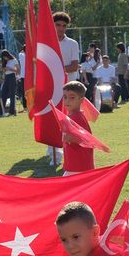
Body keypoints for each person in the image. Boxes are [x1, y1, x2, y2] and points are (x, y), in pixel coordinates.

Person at [52, 12, 80, 166]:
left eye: (64, 26)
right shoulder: (47, 44)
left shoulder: (72, 44)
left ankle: (69, 147)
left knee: (69, 119)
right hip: (53, 88)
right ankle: (53, 152)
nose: (61, 28)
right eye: (58, 25)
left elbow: (74, 66)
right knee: (54, 119)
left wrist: (56, 69)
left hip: (70, 89)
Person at [60, 81, 94, 176]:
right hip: (76, 165)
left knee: (63, 189)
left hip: (78, 166)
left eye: (72, 97)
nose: (67, 101)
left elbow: (86, 139)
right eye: (65, 97)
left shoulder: (77, 118)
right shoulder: (73, 116)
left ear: (81, 100)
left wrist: (71, 138)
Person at [0, 50, 18, 117]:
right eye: (3, 58)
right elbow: (5, 70)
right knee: (2, 94)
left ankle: (12, 112)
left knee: (12, 95)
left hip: (12, 77)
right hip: (6, 77)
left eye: (5, 57)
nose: (4, 59)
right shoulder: (6, 61)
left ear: (8, 55)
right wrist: (4, 69)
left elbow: (18, 71)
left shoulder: (14, 60)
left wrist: (10, 69)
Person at [17, 44, 27, 110]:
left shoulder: (21, 55)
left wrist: (23, 50)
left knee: (24, 92)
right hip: (29, 75)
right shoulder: (31, 56)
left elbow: (20, 52)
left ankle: (25, 106)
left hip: (23, 76)